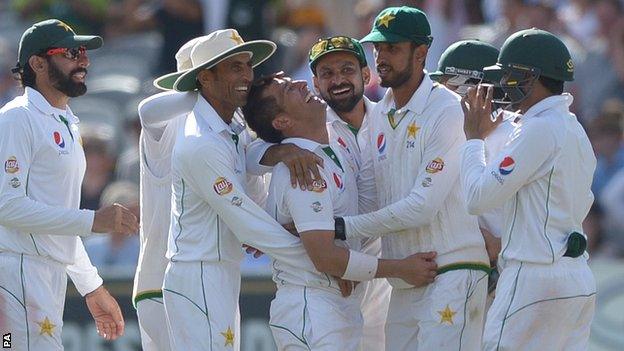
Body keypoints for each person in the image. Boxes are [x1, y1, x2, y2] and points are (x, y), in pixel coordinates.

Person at [160, 29, 334, 351]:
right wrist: (325, 265)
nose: (247, 76)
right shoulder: (201, 142)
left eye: (246, 65)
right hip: (198, 272)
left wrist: (279, 152)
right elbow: (249, 225)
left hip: (219, 269)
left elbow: (247, 155)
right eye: (234, 68)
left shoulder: (232, 123)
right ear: (205, 78)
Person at [332, 7, 490, 350]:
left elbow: (422, 207)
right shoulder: (380, 114)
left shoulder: (448, 111)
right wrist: (348, 259)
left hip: (453, 268)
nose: (381, 57)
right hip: (404, 277)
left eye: (393, 48)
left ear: (421, 53)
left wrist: (342, 228)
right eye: (378, 48)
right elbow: (374, 197)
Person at [243, 74, 438, 350]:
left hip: (337, 303)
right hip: (312, 306)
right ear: (283, 122)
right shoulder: (303, 169)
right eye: (289, 90)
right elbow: (324, 257)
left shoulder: (334, 149)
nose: (300, 85)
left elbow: (340, 230)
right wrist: (402, 268)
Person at [0, 19, 139, 349]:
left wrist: (91, 286)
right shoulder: (17, 118)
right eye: (71, 53)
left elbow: (57, 219)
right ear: (37, 63)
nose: (84, 61)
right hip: (14, 275)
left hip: (45, 277)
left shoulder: (66, 123)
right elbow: (6, 206)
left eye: (84, 53)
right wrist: (92, 220)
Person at [460, 28, 597, 350]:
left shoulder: (537, 128)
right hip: (576, 278)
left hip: (534, 279)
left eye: (509, 76)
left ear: (531, 78)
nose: (502, 86)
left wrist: (474, 139)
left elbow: (477, 199)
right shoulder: (574, 128)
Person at [134, 35, 204, 351]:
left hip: (209, 280)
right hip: (162, 283)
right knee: (9, 342)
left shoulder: (224, 127)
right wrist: (216, 95)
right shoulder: (171, 121)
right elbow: (146, 111)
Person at [430, 39, 517, 287]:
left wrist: (499, 243)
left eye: (447, 86)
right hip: (464, 266)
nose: (439, 95)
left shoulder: (514, 135)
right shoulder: (446, 130)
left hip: (510, 271)